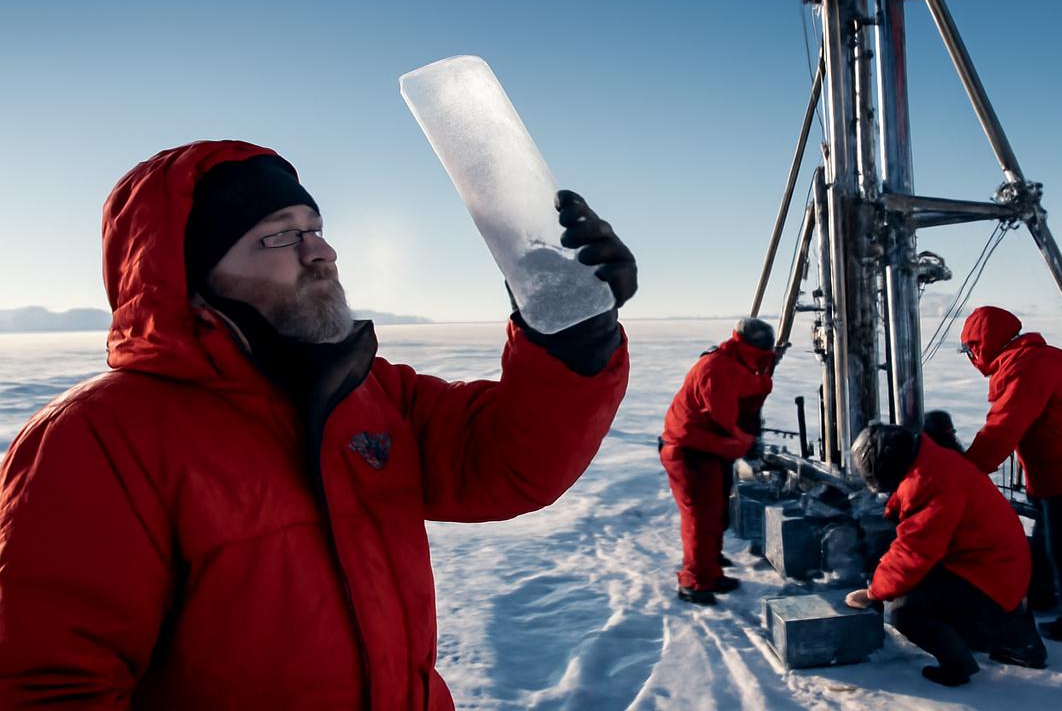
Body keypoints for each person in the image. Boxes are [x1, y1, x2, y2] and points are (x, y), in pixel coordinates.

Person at [0, 140, 636, 709]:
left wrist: (573, 337)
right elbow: (47, 685)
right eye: (279, 236)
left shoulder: (369, 392)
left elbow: (505, 463)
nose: (321, 252)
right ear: (189, 278)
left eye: (316, 228)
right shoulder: (96, 438)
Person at [959, 305, 1062, 641]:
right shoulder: (1046, 358)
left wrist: (964, 473)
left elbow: (1002, 429)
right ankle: (1043, 594)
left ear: (985, 343)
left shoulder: (1025, 370)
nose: (972, 357)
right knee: (1053, 538)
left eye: (972, 348)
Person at [845, 424, 1047, 687]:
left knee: (906, 611)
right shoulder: (933, 461)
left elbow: (913, 553)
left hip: (991, 575)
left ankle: (959, 665)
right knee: (919, 585)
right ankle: (1016, 634)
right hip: (1000, 566)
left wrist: (873, 593)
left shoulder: (929, 484)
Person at [659, 317, 775, 605]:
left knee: (715, 512)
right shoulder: (718, 368)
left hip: (709, 449)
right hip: (690, 450)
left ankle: (709, 568)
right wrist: (748, 443)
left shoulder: (742, 363)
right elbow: (724, 420)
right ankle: (695, 582)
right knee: (700, 518)